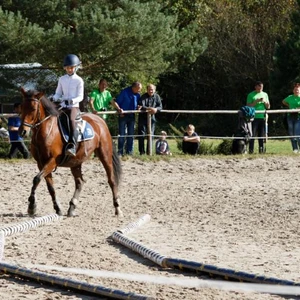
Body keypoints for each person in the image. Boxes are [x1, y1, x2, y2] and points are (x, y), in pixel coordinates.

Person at [52, 54, 84, 156]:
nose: (69, 70)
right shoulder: (62, 79)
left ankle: (72, 145)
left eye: (71, 67)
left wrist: (71, 101)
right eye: (67, 68)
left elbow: (80, 97)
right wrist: (54, 98)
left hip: (73, 107)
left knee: (71, 120)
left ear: (76, 67)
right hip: (63, 106)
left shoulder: (79, 80)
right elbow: (58, 92)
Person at [111, 82, 142, 156]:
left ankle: (129, 151)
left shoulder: (138, 95)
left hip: (132, 116)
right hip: (123, 116)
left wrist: (139, 106)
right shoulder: (124, 92)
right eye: (139, 89)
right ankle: (120, 151)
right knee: (122, 134)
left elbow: (139, 103)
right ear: (134, 87)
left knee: (131, 134)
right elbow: (117, 102)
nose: (140, 90)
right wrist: (119, 110)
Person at [137, 84, 163, 155]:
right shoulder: (143, 96)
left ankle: (149, 152)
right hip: (142, 118)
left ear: (154, 90)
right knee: (141, 135)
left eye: (152, 89)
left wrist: (156, 109)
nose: (151, 91)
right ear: (147, 90)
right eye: (149, 89)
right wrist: (150, 108)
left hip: (152, 119)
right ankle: (142, 152)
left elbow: (160, 107)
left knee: (151, 134)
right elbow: (141, 106)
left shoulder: (157, 97)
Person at [246, 81, 270, 154]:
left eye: (262, 87)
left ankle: (261, 150)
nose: (260, 89)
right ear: (255, 87)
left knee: (261, 135)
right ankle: (251, 150)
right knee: (252, 134)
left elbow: (268, 107)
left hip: (262, 117)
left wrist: (265, 103)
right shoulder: (251, 95)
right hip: (253, 117)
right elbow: (248, 105)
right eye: (259, 87)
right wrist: (256, 102)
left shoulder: (265, 94)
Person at [282, 83, 300, 153]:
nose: (296, 91)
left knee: (297, 133)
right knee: (291, 134)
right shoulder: (290, 97)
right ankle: (295, 148)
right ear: (293, 90)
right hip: (290, 117)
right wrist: (289, 106)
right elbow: (283, 101)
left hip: (298, 117)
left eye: (298, 89)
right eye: (295, 89)